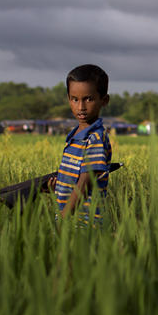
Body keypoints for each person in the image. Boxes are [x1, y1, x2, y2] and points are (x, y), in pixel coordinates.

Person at [54, 65, 112, 225]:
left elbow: (85, 182)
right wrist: (57, 184)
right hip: (71, 218)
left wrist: (64, 217)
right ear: (68, 99)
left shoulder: (95, 138)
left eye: (89, 99)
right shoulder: (74, 136)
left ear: (104, 100)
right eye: (75, 99)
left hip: (86, 223)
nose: (81, 107)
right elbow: (74, 177)